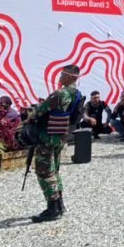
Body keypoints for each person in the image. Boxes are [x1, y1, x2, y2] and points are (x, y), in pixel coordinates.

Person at [29, 64, 84, 222]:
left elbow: (40, 111)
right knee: (55, 171)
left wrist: (29, 118)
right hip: (61, 136)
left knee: (44, 172)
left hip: (48, 136)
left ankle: (52, 208)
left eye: (62, 75)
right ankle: (60, 204)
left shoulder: (60, 93)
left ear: (71, 77)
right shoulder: (77, 94)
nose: (60, 78)